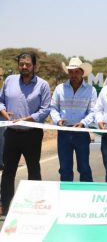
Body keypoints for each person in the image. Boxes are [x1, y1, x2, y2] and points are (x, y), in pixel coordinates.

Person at [0, 53, 51, 216]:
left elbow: (45, 110)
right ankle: (6, 207)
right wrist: (4, 113)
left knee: (33, 170)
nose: (24, 67)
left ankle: (35, 207)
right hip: (11, 134)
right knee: (8, 171)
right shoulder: (9, 81)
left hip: (32, 134)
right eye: (21, 64)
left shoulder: (42, 85)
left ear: (34, 66)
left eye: (27, 64)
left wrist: (27, 119)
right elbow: (0, 101)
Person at [50, 57, 97, 182]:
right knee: (65, 168)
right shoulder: (60, 89)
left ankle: (86, 196)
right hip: (63, 132)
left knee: (84, 168)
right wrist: (58, 120)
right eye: (71, 72)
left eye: (76, 72)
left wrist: (83, 123)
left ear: (82, 72)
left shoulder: (90, 90)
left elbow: (93, 111)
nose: (73, 75)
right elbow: (53, 108)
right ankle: (66, 198)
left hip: (81, 133)